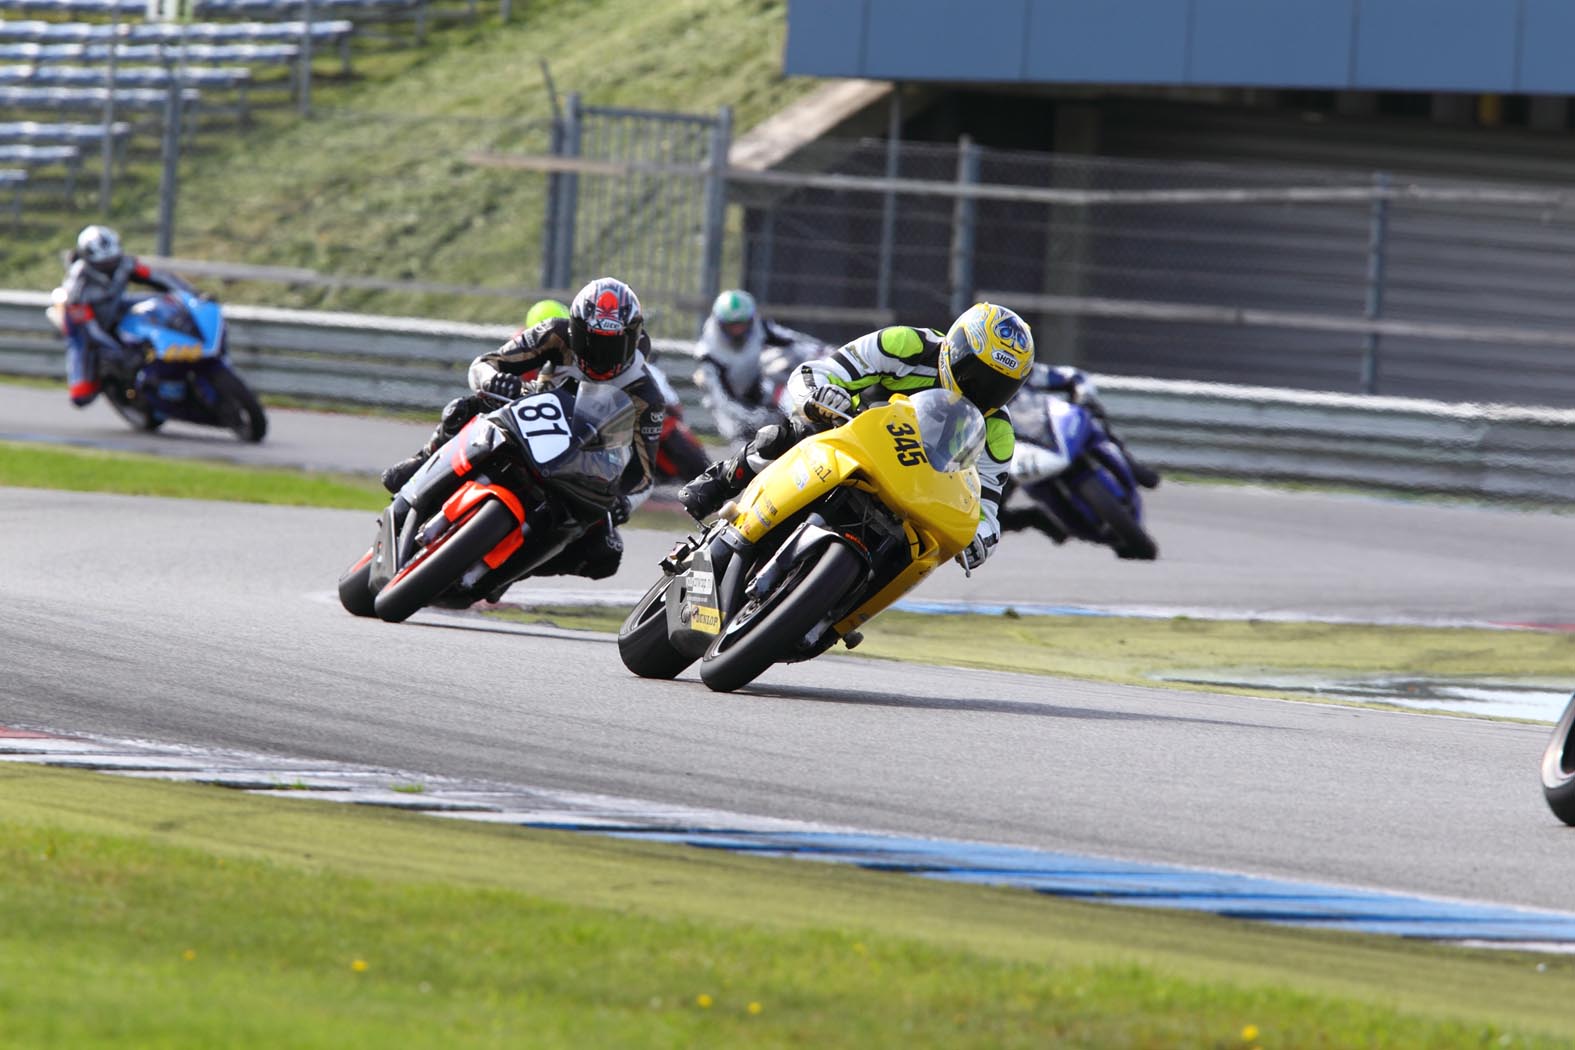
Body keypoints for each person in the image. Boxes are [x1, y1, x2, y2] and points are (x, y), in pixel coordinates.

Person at [679, 302, 1036, 573]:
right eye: (976, 373)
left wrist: (980, 540)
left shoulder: (998, 432)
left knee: (922, 553)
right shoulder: (906, 345)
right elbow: (819, 371)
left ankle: (840, 611)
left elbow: (986, 509)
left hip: (915, 492)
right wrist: (821, 394)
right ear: (955, 349)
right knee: (793, 428)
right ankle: (721, 480)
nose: (982, 390)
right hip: (849, 435)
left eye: (1000, 386)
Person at [379, 277, 666, 581]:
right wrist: (493, 380)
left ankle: (510, 571)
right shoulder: (556, 333)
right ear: (575, 329)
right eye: (590, 339)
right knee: (463, 409)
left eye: (612, 344)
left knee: (605, 554)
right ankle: (424, 459)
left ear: (633, 338)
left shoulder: (647, 395)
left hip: (580, 464)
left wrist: (624, 501)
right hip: (528, 419)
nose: (599, 354)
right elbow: (487, 363)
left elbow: (644, 475)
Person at [57, 224, 195, 407]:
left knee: (162, 301)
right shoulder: (77, 286)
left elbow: (159, 278)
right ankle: (108, 381)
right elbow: (92, 331)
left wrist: (192, 295)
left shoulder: (125, 263)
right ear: (88, 260)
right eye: (104, 264)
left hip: (116, 308)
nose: (110, 267)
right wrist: (119, 351)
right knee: (81, 397)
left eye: (112, 261)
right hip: (85, 328)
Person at [692, 288, 827, 443]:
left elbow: (794, 341)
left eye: (742, 324)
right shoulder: (708, 354)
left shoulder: (760, 326)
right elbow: (723, 401)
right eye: (732, 325)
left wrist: (823, 352)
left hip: (761, 397)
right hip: (735, 415)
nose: (738, 331)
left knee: (778, 363)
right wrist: (755, 417)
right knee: (748, 456)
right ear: (720, 323)